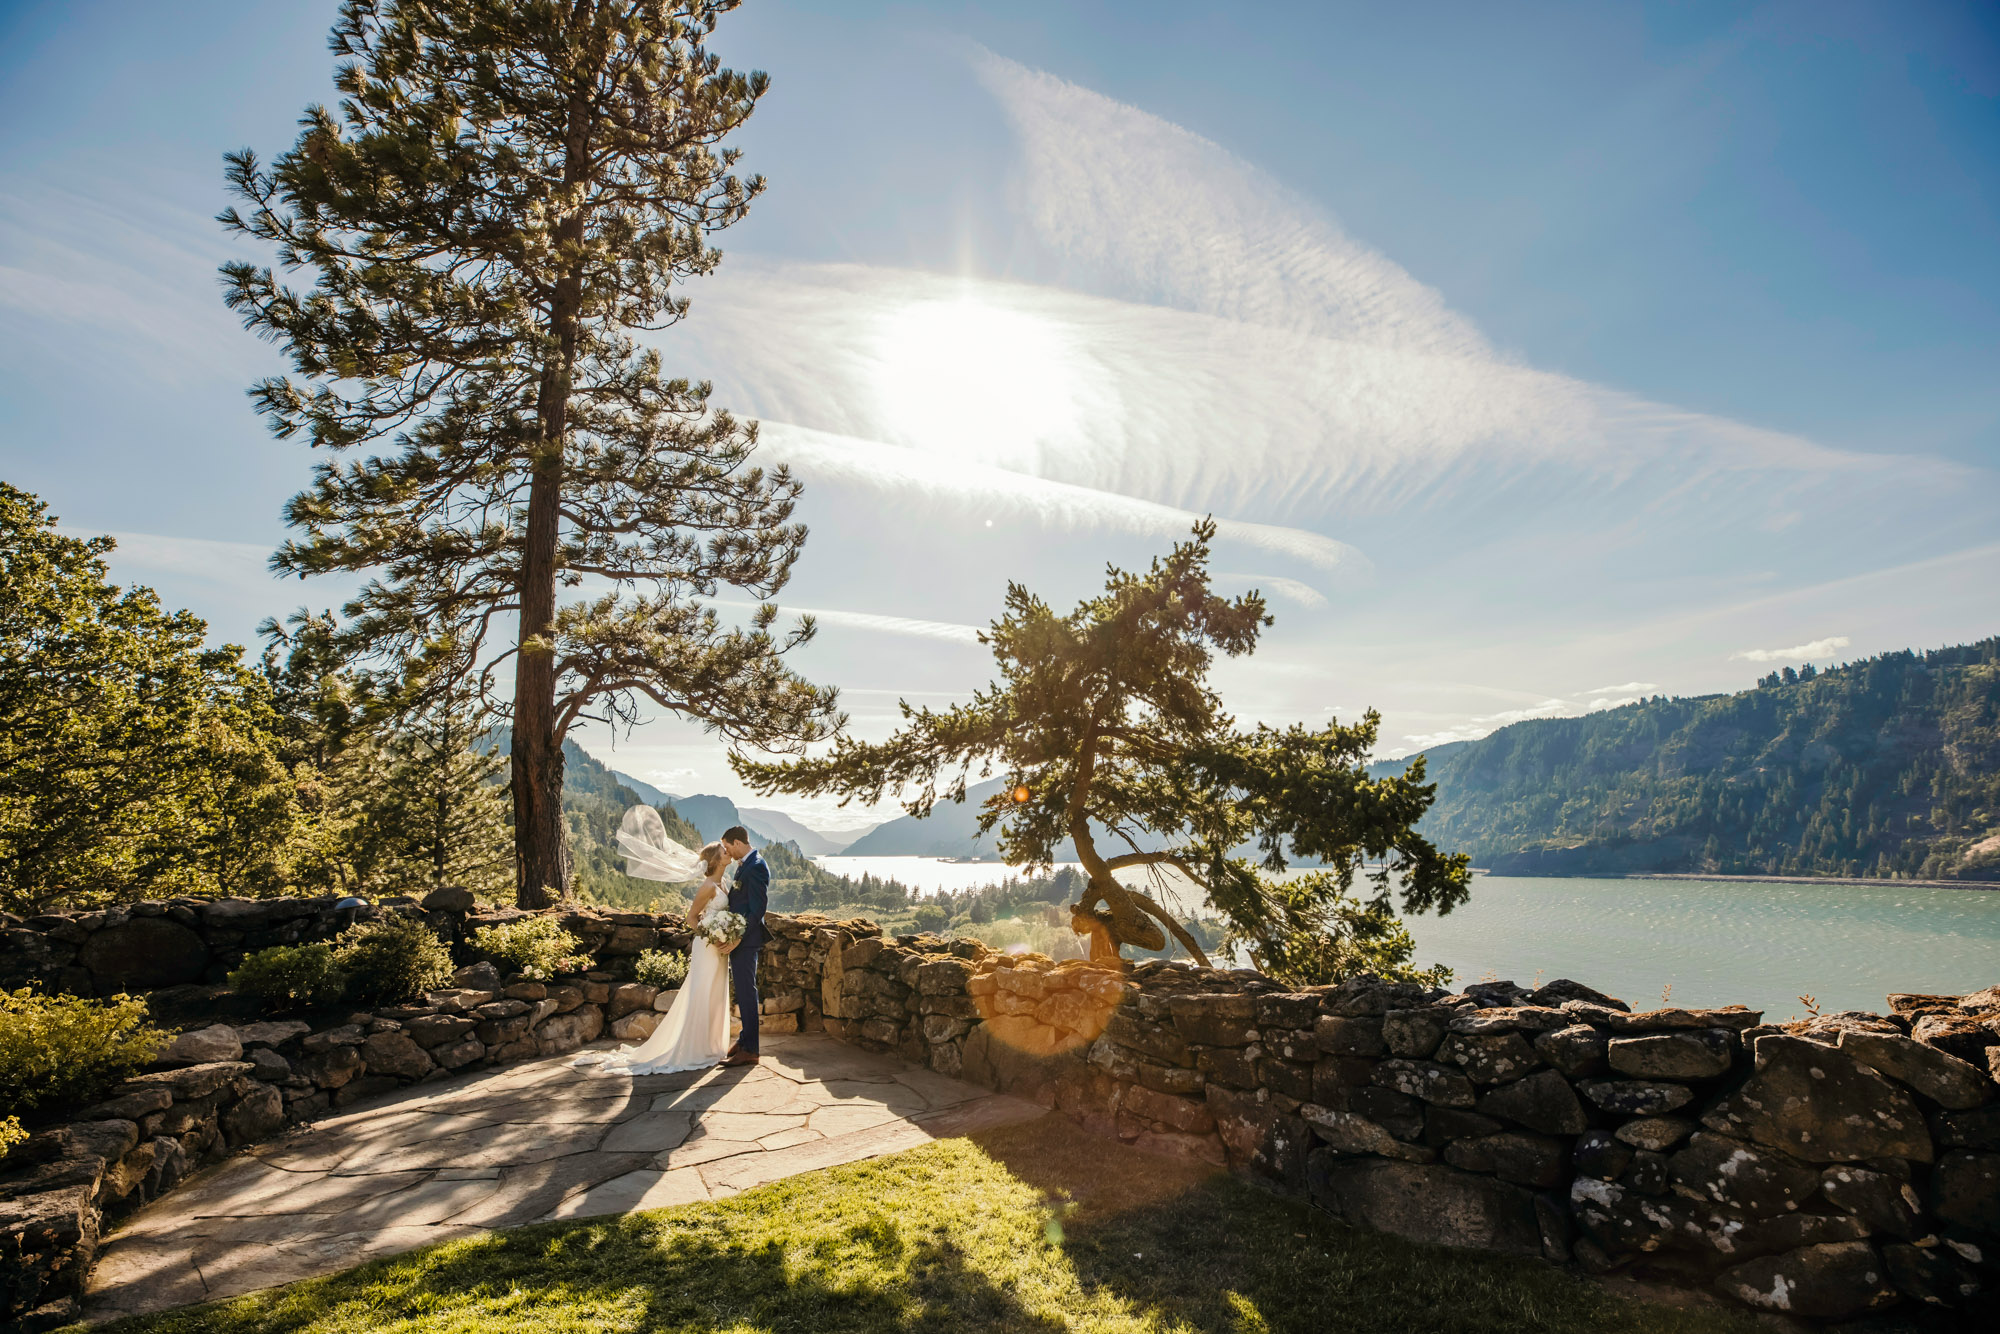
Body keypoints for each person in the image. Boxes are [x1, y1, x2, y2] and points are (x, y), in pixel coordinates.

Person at [569, 841, 732, 1075]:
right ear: (716, 859)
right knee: (702, 992)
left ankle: (711, 1046)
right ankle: (694, 1048)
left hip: (718, 948)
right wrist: (712, 937)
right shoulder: (707, 886)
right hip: (707, 946)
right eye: (724, 851)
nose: (729, 853)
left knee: (715, 993)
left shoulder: (723, 882)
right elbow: (691, 918)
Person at [719, 825, 766, 1066]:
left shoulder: (756, 866)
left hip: (747, 940)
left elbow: (758, 908)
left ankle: (751, 1050)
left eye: (727, 847)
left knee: (747, 992)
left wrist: (739, 936)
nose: (727, 852)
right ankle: (744, 1040)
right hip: (741, 938)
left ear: (737, 843)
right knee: (743, 990)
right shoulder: (746, 864)